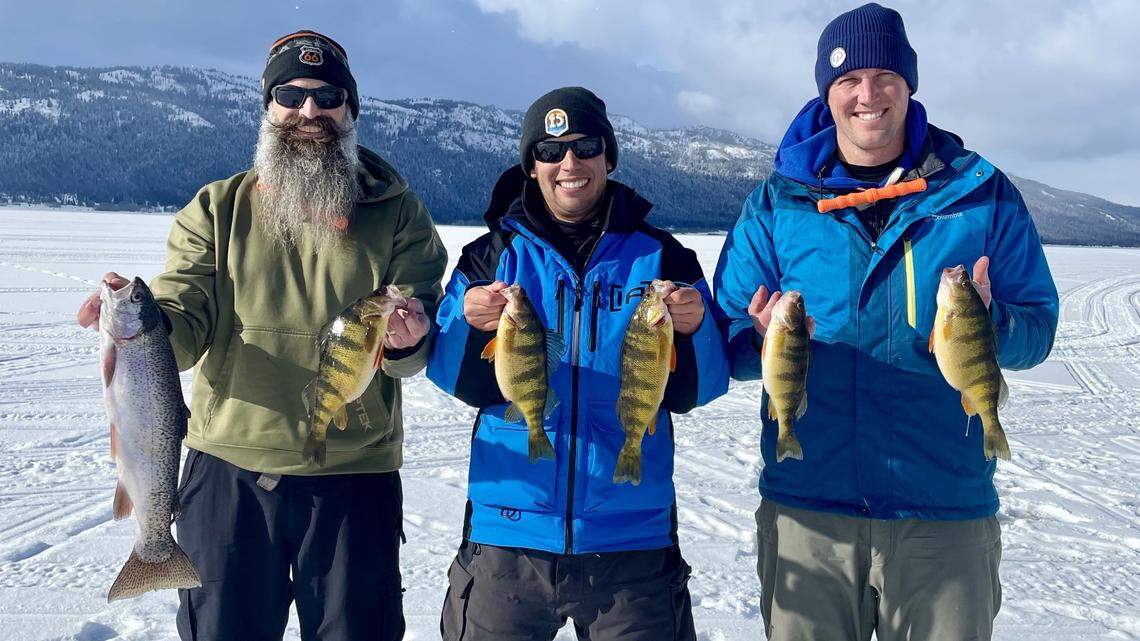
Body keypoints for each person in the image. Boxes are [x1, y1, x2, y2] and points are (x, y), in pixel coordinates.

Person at [76, 29, 447, 641]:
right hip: (230, 473)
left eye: (328, 96)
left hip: (354, 474)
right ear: (268, 107)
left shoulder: (399, 213)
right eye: (290, 96)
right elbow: (185, 317)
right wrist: (145, 329)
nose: (310, 111)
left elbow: (416, 345)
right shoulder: (216, 208)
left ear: (350, 109)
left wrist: (409, 340)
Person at [713, 4, 1059, 640]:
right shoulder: (776, 203)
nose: (867, 95)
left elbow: (1038, 327)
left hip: (943, 512)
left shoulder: (980, 194)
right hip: (809, 512)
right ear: (827, 93)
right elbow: (725, 336)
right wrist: (755, 340)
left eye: (884, 77)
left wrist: (990, 326)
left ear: (909, 85)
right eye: (848, 80)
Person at [427, 87, 728, 640]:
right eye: (550, 151)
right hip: (508, 535)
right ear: (532, 166)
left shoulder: (663, 257)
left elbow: (701, 388)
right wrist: (468, 326)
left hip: (632, 540)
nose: (569, 163)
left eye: (585, 146)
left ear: (608, 157)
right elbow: (452, 378)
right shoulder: (489, 257)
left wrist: (694, 330)